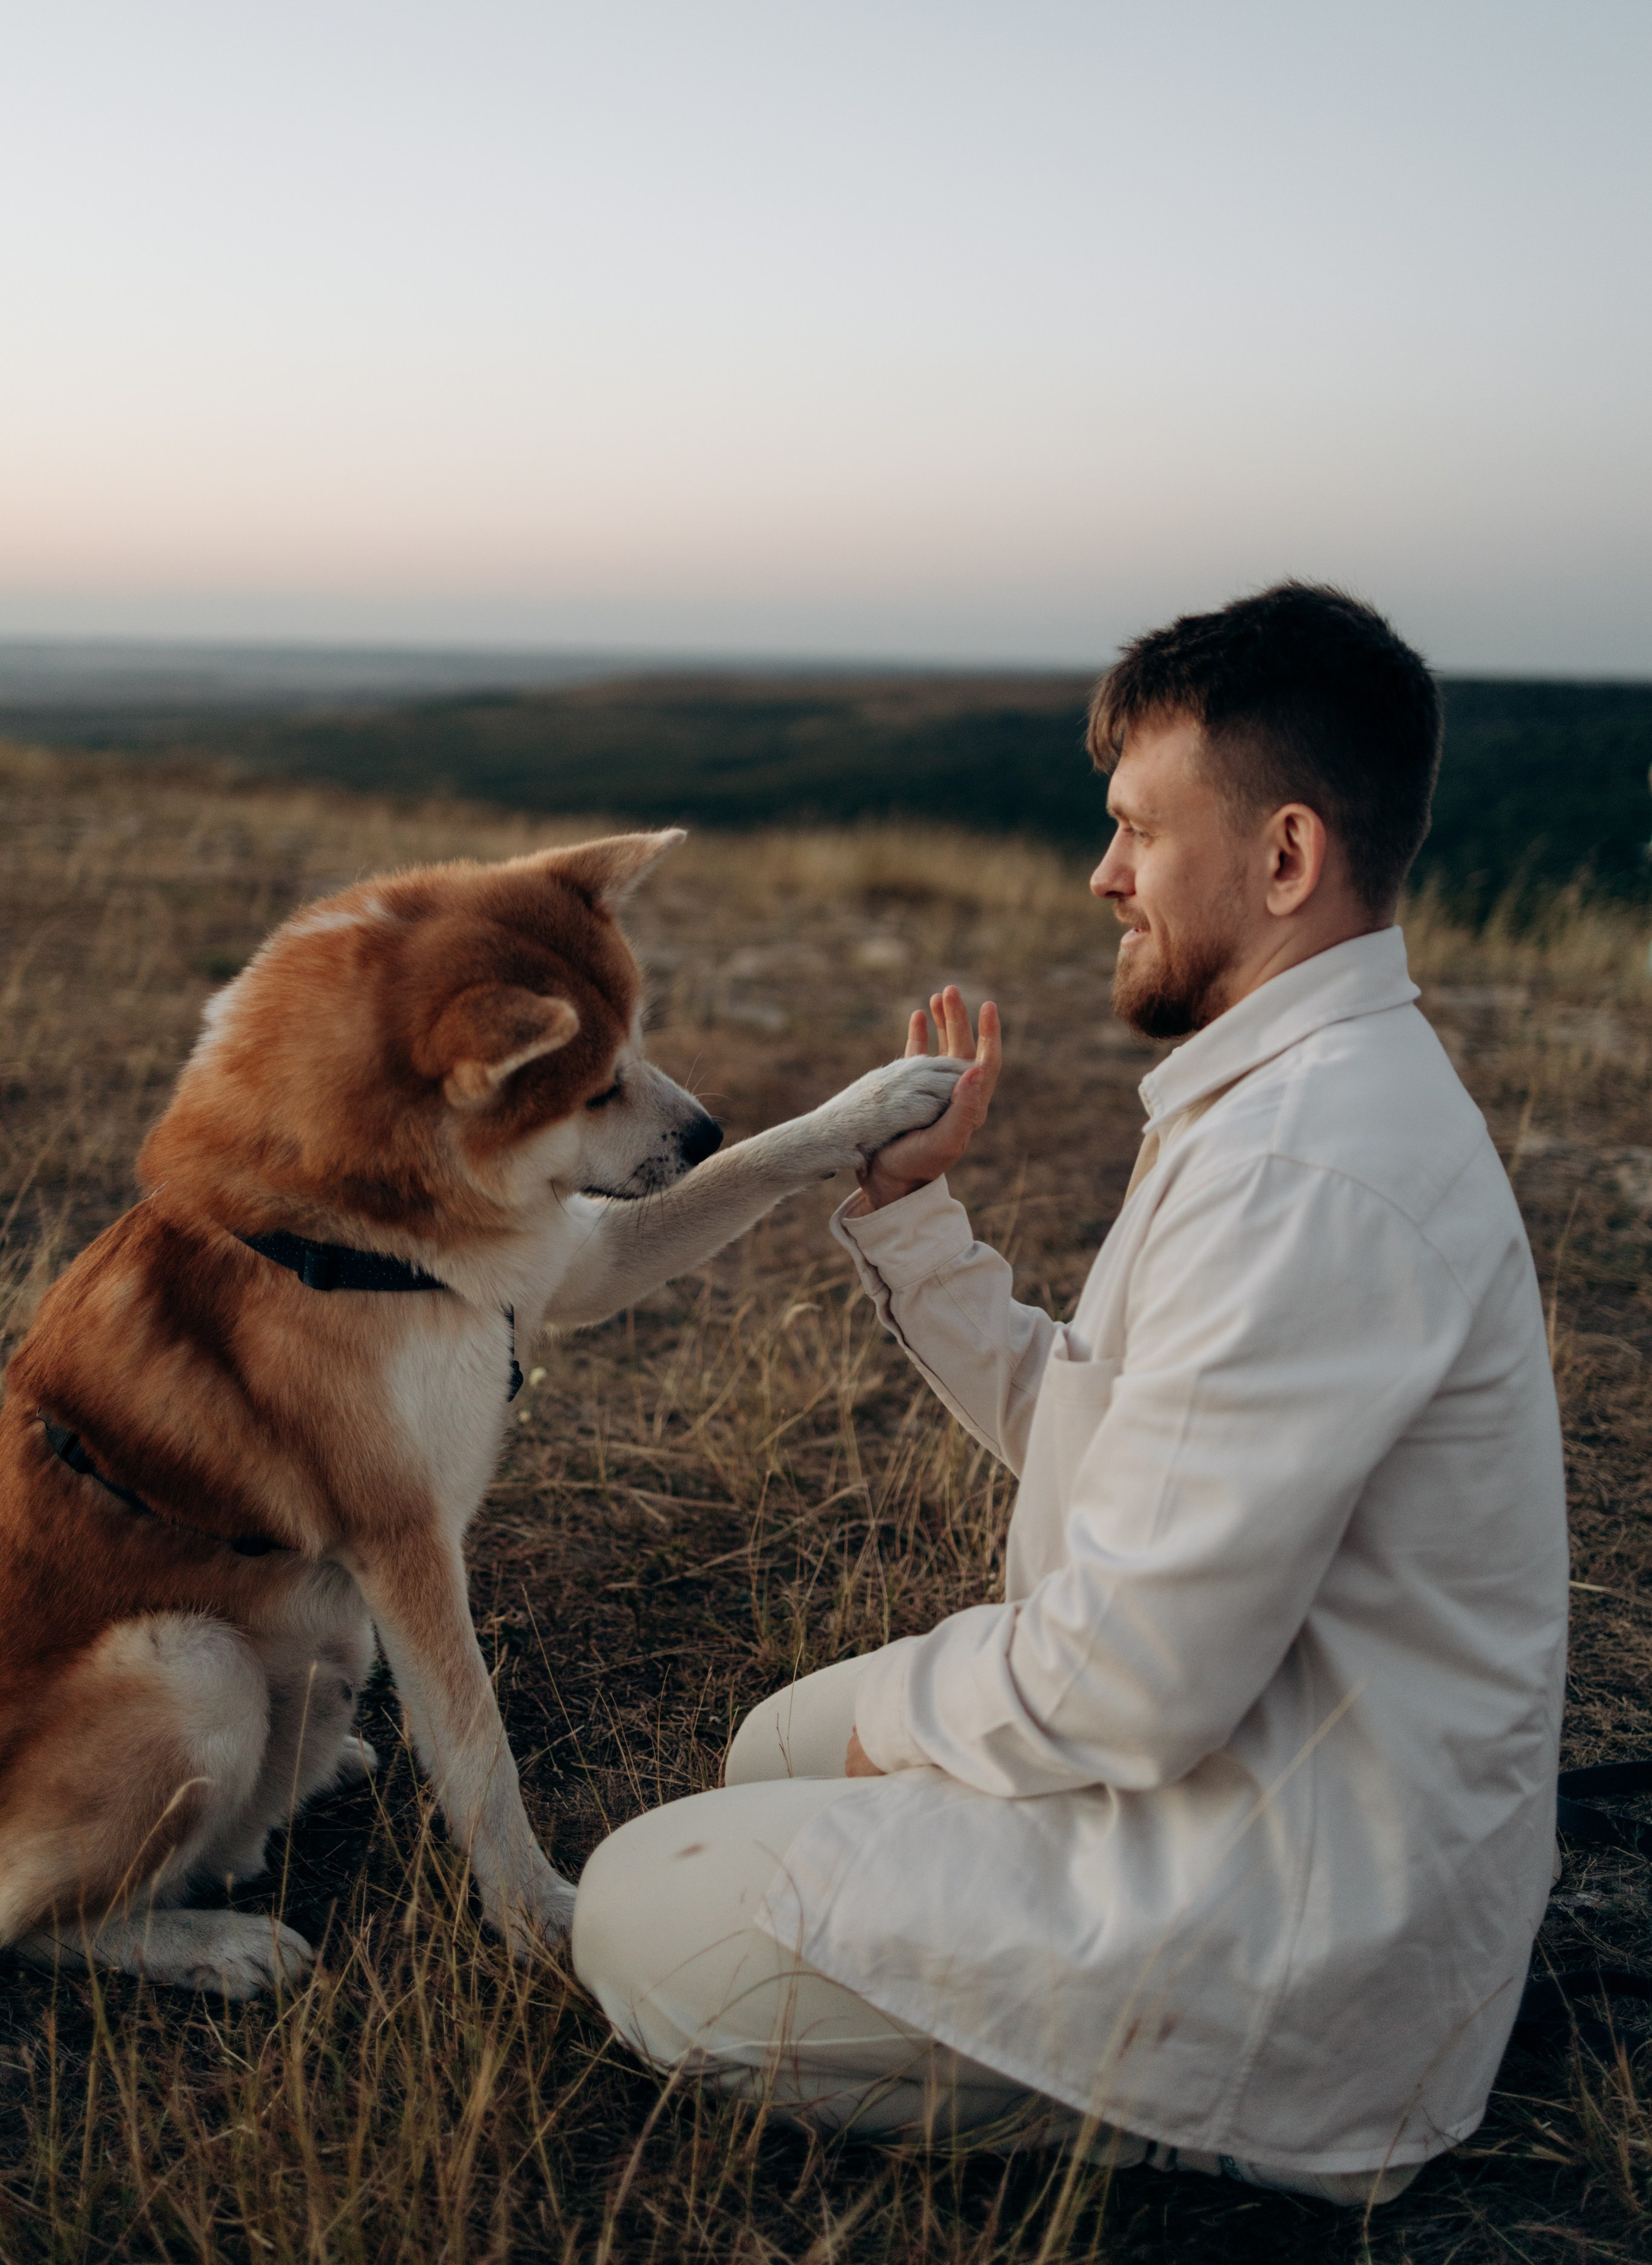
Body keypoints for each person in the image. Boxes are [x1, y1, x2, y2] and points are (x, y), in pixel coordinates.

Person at [571, 582, 1567, 2209]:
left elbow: (1120, 1689)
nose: (1101, 872)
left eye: (1133, 830)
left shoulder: (1309, 1168)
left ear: (1284, 859)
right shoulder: (1279, 1103)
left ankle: (1212, 2107)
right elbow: (1110, 1452)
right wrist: (912, 1223)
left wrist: (906, 1737)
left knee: (630, 1904)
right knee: (767, 1749)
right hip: (1229, 1765)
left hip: (1291, 1910)